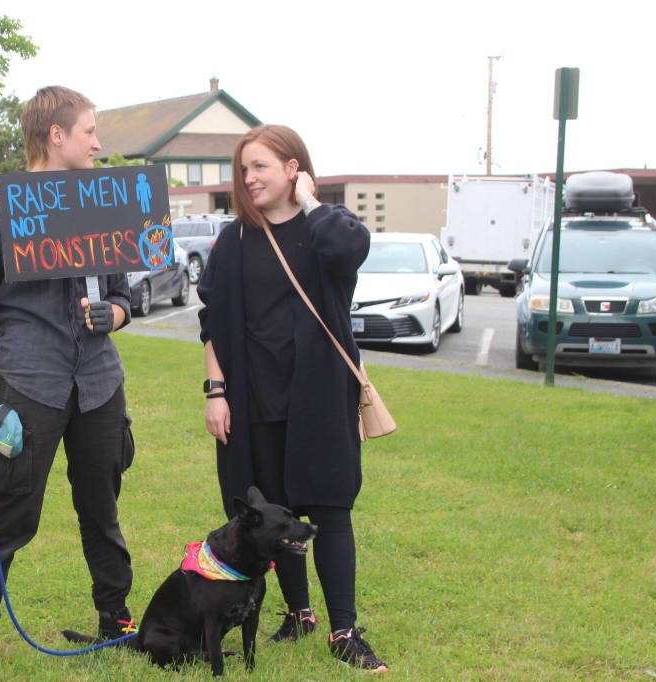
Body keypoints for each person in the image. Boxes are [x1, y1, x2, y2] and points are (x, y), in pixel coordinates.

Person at [0, 86, 137, 681]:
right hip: (29, 386)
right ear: (56, 135)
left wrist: (115, 316)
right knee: (10, 512)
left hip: (99, 385)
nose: (99, 144)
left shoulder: (103, 207)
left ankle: (115, 617)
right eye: (89, 132)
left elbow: (126, 298)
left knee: (101, 508)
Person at [197, 125, 387, 673]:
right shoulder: (233, 242)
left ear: (292, 168)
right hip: (254, 400)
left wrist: (308, 200)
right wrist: (216, 390)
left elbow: (351, 247)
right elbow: (211, 321)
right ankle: (299, 612)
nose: (249, 178)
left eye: (260, 166)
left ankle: (344, 630)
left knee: (329, 506)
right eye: (244, 169)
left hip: (320, 397)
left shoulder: (325, 232)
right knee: (272, 511)